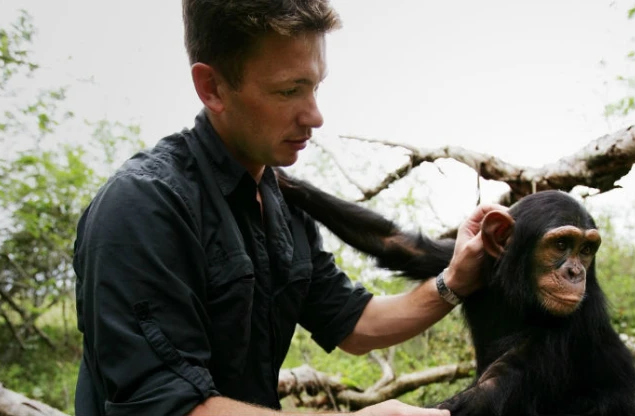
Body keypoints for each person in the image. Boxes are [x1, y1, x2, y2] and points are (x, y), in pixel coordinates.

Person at [73, 1, 505, 415]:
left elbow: (356, 322)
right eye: (289, 90)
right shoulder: (143, 207)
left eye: (315, 86)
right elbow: (165, 408)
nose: (315, 116)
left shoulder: (280, 200)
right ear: (213, 87)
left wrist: (456, 280)